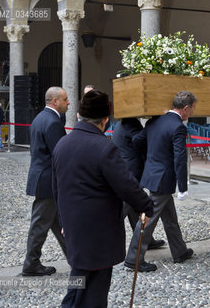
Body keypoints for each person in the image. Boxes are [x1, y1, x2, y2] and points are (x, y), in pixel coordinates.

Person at [53, 90, 153, 307]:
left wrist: (63, 220)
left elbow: (57, 189)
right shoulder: (103, 147)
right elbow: (126, 184)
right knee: (94, 289)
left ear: (80, 115)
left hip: (74, 225)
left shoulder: (62, 144)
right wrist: (146, 205)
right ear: (105, 120)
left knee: (80, 280)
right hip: (98, 230)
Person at [125, 91, 197, 272]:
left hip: (152, 174)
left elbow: (137, 140)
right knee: (147, 220)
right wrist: (183, 187)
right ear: (186, 109)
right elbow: (180, 158)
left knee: (170, 218)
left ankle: (179, 251)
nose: (193, 112)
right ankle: (133, 259)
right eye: (193, 109)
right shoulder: (178, 127)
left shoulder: (155, 121)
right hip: (163, 179)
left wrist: (150, 159)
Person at [22, 87, 69, 276]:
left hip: (44, 178)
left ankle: (76, 257)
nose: (69, 102)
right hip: (48, 181)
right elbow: (60, 154)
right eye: (65, 99)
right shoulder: (52, 122)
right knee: (40, 225)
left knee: (59, 222)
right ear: (55, 101)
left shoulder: (41, 118)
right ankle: (31, 264)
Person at [112, 117, 165, 249]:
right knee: (122, 210)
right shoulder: (130, 123)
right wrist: (151, 127)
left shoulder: (123, 122)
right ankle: (103, 239)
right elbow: (140, 142)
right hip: (132, 171)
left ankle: (145, 239)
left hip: (127, 169)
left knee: (135, 210)